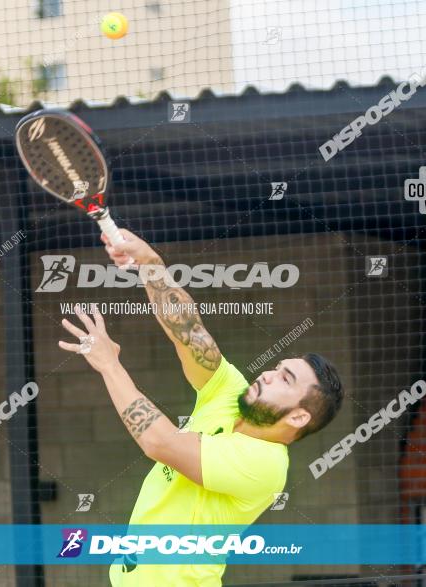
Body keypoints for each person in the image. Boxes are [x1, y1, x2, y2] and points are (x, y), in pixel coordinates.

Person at [58, 229, 344, 586]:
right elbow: (189, 332)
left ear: (300, 416)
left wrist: (109, 365)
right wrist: (150, 262)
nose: (269, 375)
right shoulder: (231, 393)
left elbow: (159, 443)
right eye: (276, 368)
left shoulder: (266, 464)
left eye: (285, 379)